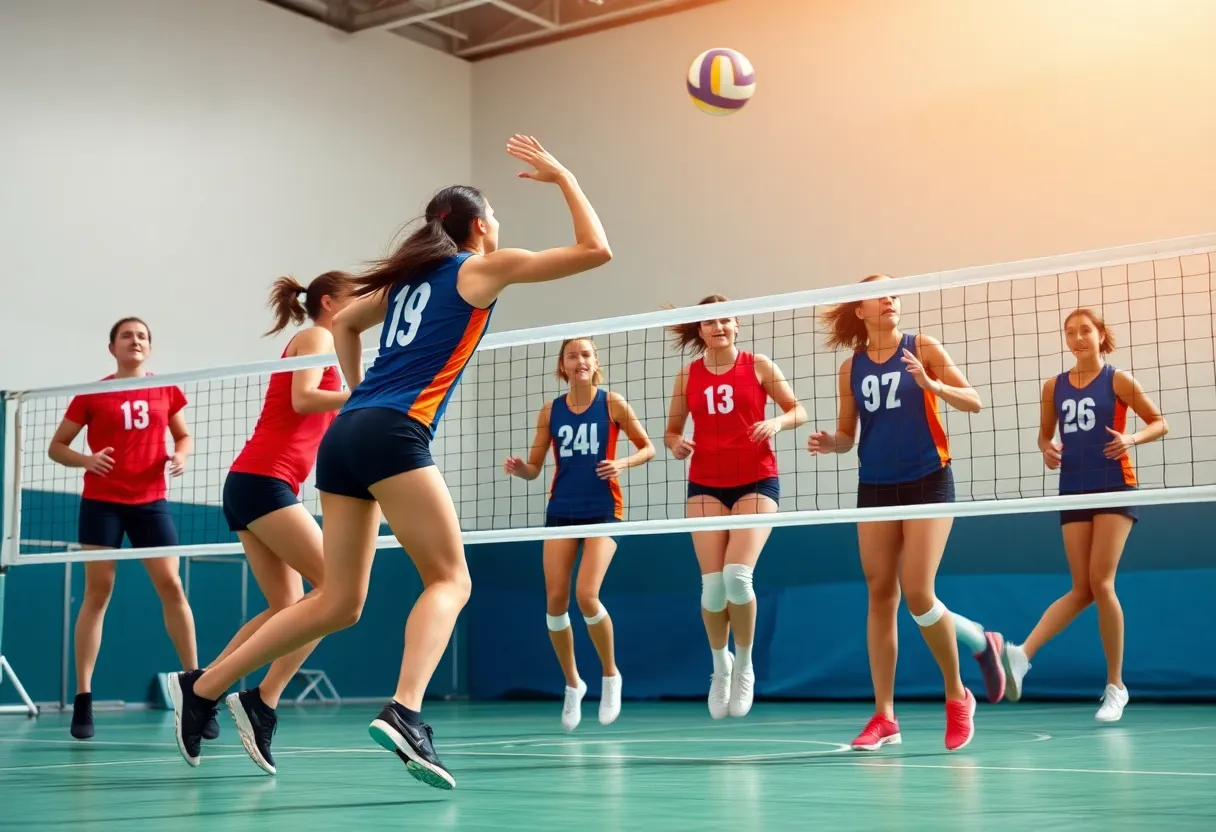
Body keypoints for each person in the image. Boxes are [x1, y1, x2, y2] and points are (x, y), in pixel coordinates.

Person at [168, 135, 612, 790]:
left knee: (340, 601)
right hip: (393, 432)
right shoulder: (477, 268)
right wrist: (567, 176)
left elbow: (345, 324)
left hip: (347, 433)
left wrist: (360, 391)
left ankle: (207, 689)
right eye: (495, 216)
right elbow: (596, 250)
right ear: (480, 226)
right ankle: (406, 712)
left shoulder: (404, 285)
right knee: (450, 580)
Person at [808, 274, 1002, 753]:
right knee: (879, 593)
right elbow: (849, 435)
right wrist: (833, 443)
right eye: (881, 293)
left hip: (928, 480)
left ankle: (957, 695)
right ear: (861, 310)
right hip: (874, 485)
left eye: (896, 292)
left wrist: (930, 382)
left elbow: (974, 401)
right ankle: (884, 716)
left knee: (918, 592)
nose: (892, 298)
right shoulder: (850, 366)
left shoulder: (923, 347)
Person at [205, 271, 352, 774]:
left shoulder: (336, 350)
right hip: (260, 480)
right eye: (359, 297)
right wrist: (363, 395)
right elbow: (303, 398)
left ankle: (204, 686)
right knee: (335, 591)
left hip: (265, 483)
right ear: (330, 301)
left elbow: (322, 425)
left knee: (288, 606)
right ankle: (261, 701)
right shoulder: (317, 336)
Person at [47, 317, 212, 740]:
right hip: (101, 504)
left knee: (172, 587)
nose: (134, 341)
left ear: (149, 348)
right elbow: (57, 446)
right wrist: (85, 460)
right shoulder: (94, 394)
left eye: (141, 336)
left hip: (151, 502)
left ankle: (197, 689)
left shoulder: (167, 388)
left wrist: (181, 455)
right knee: (97, 593)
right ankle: (83, 699)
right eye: (126, 335)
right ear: (112, 348)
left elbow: (184, 437)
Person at [1001, 308, 1167, 722]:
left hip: (1114, 483)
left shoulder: (1118, 380)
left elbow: (1159, 422)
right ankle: (1021, 656)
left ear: (1100, 335)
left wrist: (1131, 437)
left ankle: (1116, 686)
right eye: (1070, 332)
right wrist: (1047, 449)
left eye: (1085, 331)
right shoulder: (1053, 387)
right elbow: (1044, 435)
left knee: (1101, 582)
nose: (1077, 338)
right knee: (1081, 587)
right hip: (1073, 488)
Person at [663, 296, 806, 719]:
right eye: (709, 321)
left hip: (757, 480)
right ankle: (719, 664)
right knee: (712, 587)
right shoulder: (688, 375)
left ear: (737, 325)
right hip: (705, 484)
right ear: (701, 331)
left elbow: (798, 409)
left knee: (737, 577)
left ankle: (744, 666)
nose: (718, 326)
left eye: (725, 319)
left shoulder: (758, 365)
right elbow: (672, 431)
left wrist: (776, 422)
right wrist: (677, 444)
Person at [503, 337, 654, 731]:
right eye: (573, 355)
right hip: (562, 510)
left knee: (587, 595)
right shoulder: (549, 411)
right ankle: (573, 684)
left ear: (595, 362)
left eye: (586, 354)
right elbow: (536, 468)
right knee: (555, 601)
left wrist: (622, 463)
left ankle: (610, 675)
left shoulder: (612, 403)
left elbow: (648, 448)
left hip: (604, 510)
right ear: (563, 365)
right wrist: (522, 469)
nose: (580, 360)